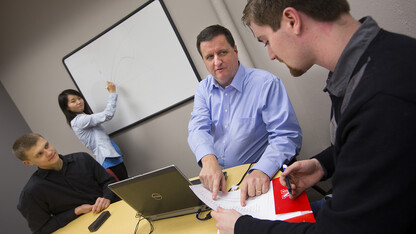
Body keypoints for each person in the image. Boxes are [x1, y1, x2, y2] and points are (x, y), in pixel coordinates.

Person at [211, 0, 416, 233]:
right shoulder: (371, 63)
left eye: (266, 41)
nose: (271, 55)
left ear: (292, 20)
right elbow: (368, 142)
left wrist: (242, 228)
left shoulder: (380, 95)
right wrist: (323, 164)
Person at [188, 24, 302, 205]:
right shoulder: (203, 89)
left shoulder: (266, 83)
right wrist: (208, 160)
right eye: (209, 57)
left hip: (258, 178)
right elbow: (197, 127)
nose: (217, 62)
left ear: (235, 50)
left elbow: (287, 136)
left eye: (222, 53)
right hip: (224, 182)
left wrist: (262, 170)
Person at [12, 133, 119, 234]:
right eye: (40, 154)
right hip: (83, 229)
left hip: (115, 211)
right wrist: (76, 211)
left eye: (47, 145)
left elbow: (108, 181)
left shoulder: (82, 158)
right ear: (28, 163)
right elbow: (41, 229)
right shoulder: (32, 192)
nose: (49, 152)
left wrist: (107, 197)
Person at [58, 81, 128, 181]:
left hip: (112, 157)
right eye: (73, 101)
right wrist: (112, 93)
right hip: (108, 159)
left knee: (127, 184)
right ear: (66, 107)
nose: (79, 102)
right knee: (125, 187)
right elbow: (108, 114)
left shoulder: (83, 117)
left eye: (79, 98)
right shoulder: (79, 121)